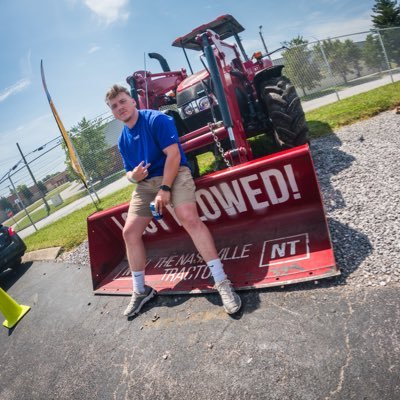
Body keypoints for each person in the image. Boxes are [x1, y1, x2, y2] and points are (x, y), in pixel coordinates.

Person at [105, 84, 241, 317]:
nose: (120, 108)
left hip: (174, 173)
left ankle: (221, 281)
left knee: (188, 218)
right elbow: (129, 173)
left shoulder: (157, 120)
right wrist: (132, 177)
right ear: (112, 112)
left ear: (133, 101)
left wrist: (165, 189)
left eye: (123, 101)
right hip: (146, 184)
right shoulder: (122, 142)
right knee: (129, 233)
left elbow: (174, 155)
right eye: (114, 106)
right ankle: (141, 290)